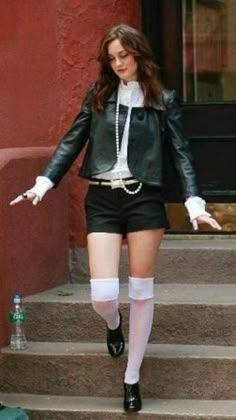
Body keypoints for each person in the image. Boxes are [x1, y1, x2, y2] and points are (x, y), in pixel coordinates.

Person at [10, 24, 221, 412]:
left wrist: (194, 201)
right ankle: (112, 324)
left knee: (141, 290)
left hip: (145, 200)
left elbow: (181, 153)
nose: (119, 63)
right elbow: (73, 139)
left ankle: (131, 377)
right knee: (103, 296)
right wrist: (44, 182)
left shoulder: (162, 100)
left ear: (139, 54)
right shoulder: (99, 95)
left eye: (125, 55)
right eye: (112, 58)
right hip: (103, 201)